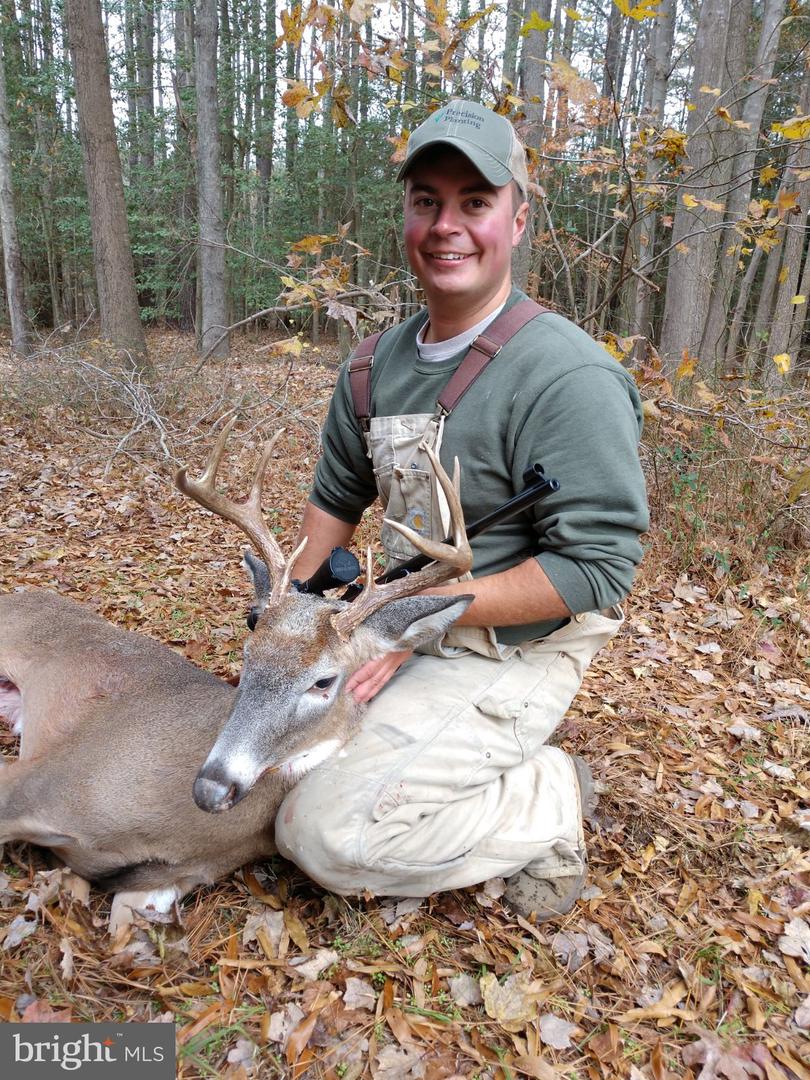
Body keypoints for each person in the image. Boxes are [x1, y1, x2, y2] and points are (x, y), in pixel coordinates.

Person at [275, 98, 649, 920]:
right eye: (427, 202)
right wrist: (282, 630)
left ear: (516, 219)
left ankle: (548, 798)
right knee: (265, 767)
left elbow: (598, 565)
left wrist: (417, 617)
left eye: (475, 203)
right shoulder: (373, 367)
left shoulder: (567, 377)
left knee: (325, 835)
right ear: (406, 216)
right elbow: (331, 515)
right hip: (399, 625)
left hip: (515, 650)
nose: (449, 226)